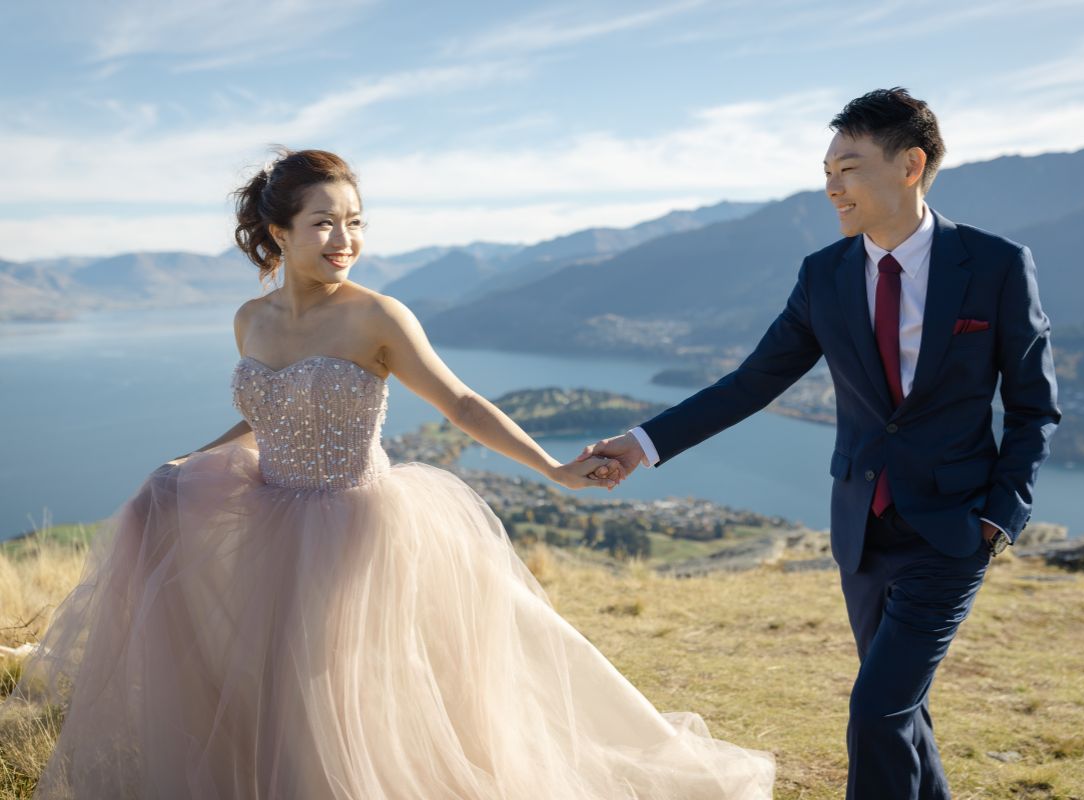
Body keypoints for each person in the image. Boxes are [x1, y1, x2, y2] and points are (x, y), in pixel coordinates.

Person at [4, 149, 775, 799]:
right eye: (324, 223)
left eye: (356, 222)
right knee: (274, 684)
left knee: (328, 691)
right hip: (270, 513)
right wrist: (189, 461)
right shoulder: (251, 320)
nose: (345, 239)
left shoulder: (378, 316)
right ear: (279, 231)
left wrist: (553, 468)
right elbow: (268, 414)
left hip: (355, 523)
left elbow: (463, 403)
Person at [581, 88, 1061, 799]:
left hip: (954, 530)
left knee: (874, 710)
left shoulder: (993, 265)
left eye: (849, 167)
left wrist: (1000, 515)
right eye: (827, 170)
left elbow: (1033, 407)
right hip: (861, 530)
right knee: (899, 711)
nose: (831, 186)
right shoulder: (824, 274)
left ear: (911, 165)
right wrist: (642, 443)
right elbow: (751, 384)